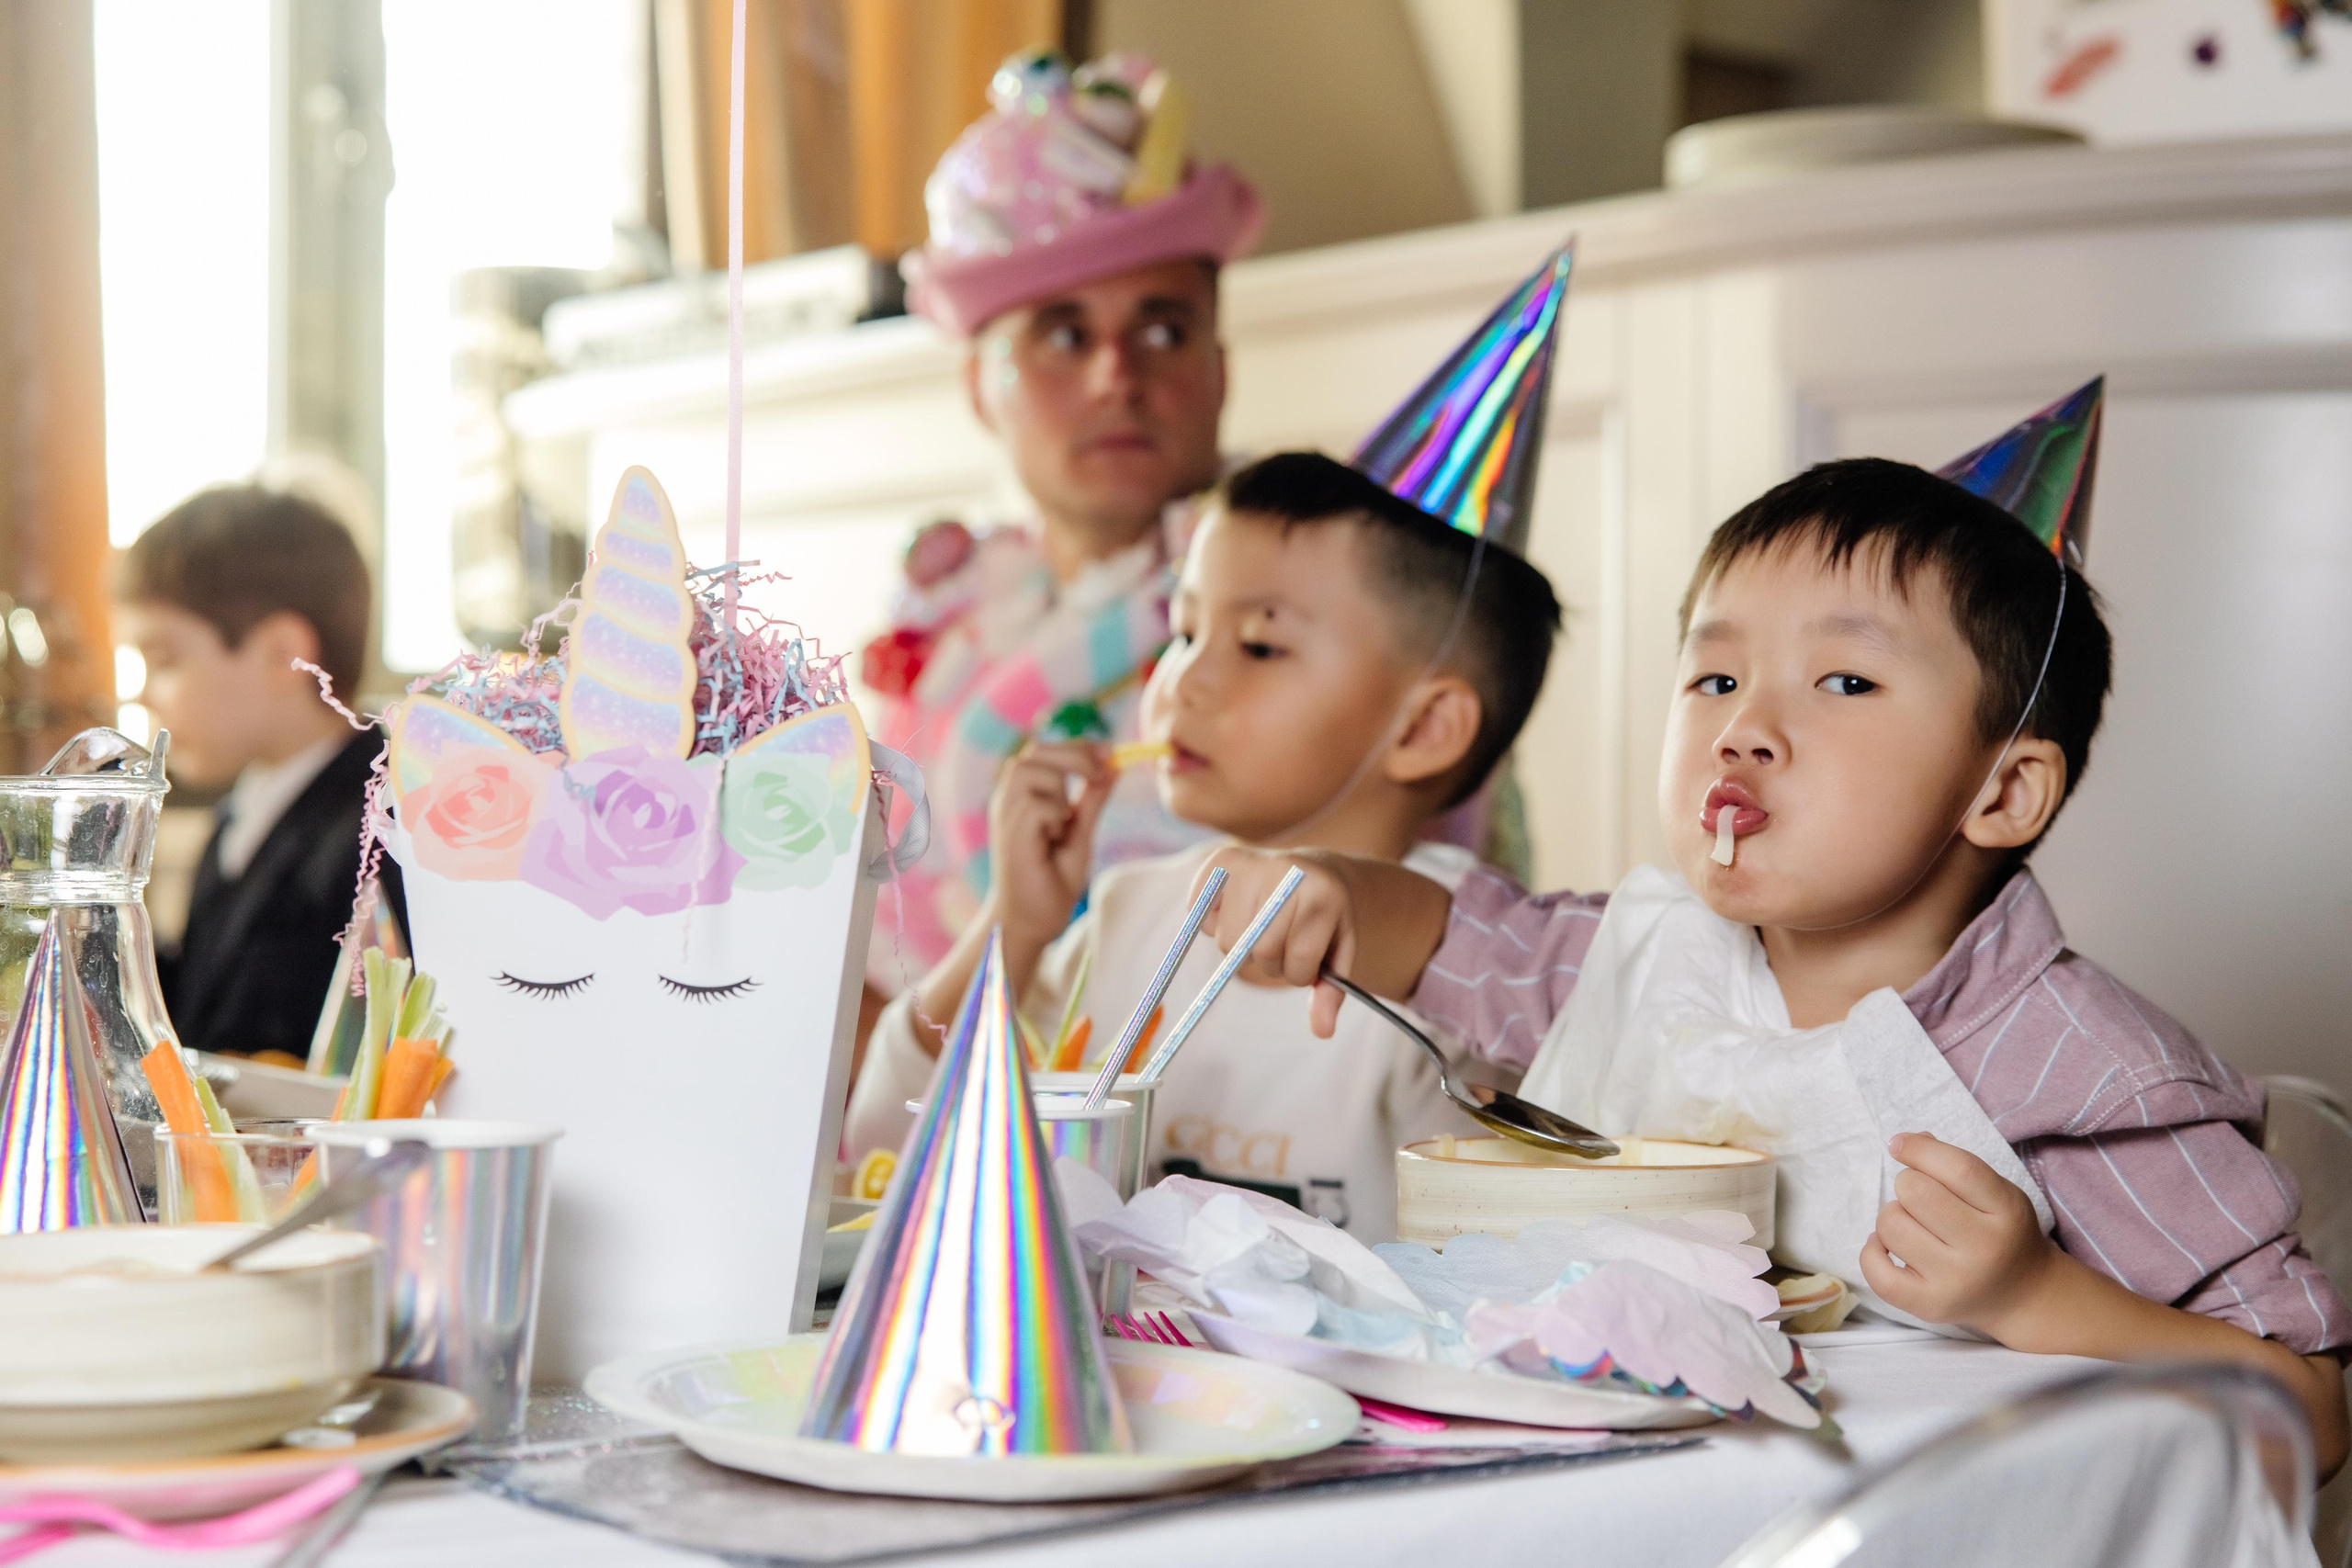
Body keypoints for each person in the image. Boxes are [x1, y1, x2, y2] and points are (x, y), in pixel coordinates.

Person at [1190, 453, 2352, 1472]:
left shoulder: (2083, 1070)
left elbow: (2309, 1407)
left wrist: (2034, 1294)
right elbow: (1446, 933)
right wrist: (1332, 891)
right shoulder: (1640, 962)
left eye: (1844, 681)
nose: (1741, 727)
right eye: (1715, 679)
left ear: (2002, 790)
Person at [845, 452, 1563, 1239]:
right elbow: (884, 1148)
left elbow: (1493, 1258)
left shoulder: (1468, 975)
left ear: (1424, 727)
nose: (1180, 681)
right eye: (1185, 632)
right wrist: (1012, 927)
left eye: (1258, 645)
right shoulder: (1129, 914)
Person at [858, 50, 1263, 1007]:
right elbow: (878, 968)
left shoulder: (1326, 603)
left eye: (1162, 331)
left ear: (1219, 368)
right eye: (1064, 335)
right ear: (978, 387)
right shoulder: (948, 633)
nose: (1116, 376)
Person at [117, 483, 401, 1063]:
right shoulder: (241, 815)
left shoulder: (386, 829)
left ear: (282, 655)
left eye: (164, 660)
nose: (143, 695)